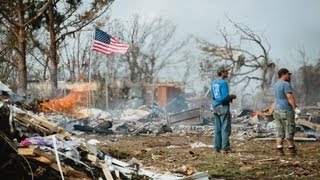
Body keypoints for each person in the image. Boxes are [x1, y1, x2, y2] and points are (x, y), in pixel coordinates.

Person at [272, 68, 300, 156]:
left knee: (279, 131)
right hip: (286, 110)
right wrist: (295, 107)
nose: (289, 76)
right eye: (288, 74)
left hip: (276, 110)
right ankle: (292, 151)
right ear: (283, 74)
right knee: (289, 130)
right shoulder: (286, 84)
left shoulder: (275, 84)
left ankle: (279, 150)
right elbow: (289, 97)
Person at [211, 66, 237, 154]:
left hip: (215, 106)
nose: (228, 73)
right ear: (222, 72)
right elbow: (225, 97)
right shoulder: (223, 83)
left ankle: (216, 149)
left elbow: (213, 97)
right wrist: (232, 96)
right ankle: (226, 148)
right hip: (223, 107)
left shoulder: (214, 83)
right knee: (225, 128)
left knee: (217, 129)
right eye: (226, 71)